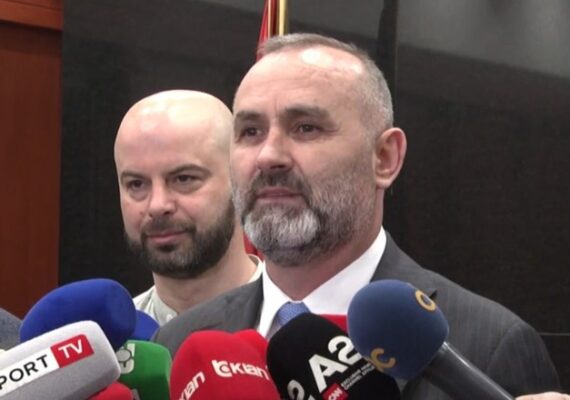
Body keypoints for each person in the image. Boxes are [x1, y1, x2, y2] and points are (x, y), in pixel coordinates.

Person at [152, 34, 560, 397]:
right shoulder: (179, 343)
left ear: (384, 158)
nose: (269, 155)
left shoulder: (488, 345)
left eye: (306, 127)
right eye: (250, 132)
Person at [114, 90, 262, 325]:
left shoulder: (297, 333)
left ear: (240, 181)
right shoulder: (108, 340)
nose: (157, 205)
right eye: (137, 184)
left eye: (183, 179)